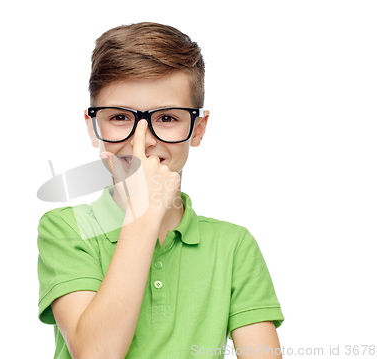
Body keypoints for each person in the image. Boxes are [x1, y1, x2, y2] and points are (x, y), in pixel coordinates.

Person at [37, 22, 284, 359]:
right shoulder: (66, 229)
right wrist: (144, 216)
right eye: (120, 118)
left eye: (167, 118)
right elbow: (96, 354)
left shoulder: (234, 246)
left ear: (198, 129)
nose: (144, 140)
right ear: (94, 128)